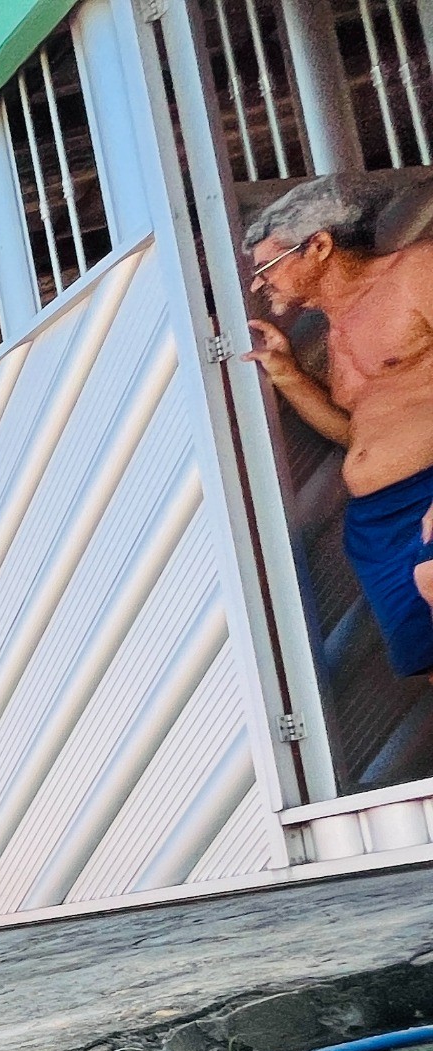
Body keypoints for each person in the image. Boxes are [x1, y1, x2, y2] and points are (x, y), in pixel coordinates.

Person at [242, 174, 433, 679]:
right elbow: (359, 434)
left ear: (319, 245)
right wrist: (289, 377)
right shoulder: (335, 333)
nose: (261, 284)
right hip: (378, 521)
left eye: (268, 267)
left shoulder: (416, 272)